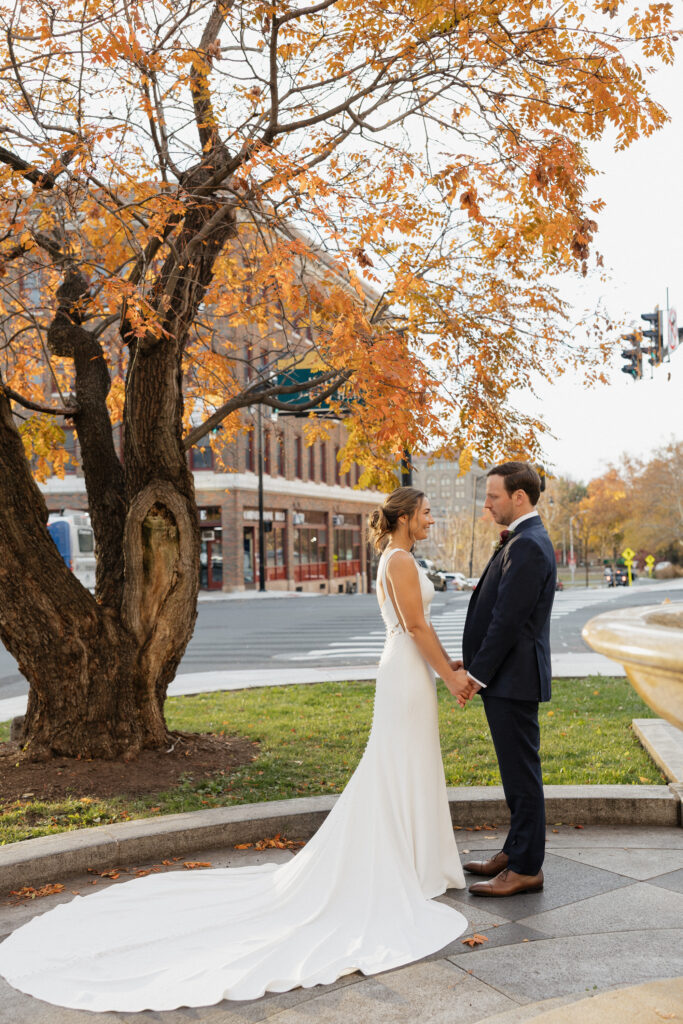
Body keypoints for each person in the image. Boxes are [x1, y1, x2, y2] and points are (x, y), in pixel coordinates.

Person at [0, 487, 474, 1013]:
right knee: (397, 765)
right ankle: (406, 863)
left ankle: (415, 860)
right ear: (407, 517)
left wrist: (449, 668)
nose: (432, 519)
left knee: (402, 764)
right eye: (428, 512)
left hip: (407, 670)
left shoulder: (394, 556)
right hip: (406, 673)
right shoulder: (402, 559)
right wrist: (451, 678)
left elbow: (419, 628)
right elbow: (415, 625)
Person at [452, 462, 556, 898]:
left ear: (519, 497)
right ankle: (514, 852)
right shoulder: (522, 539)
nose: (487, 503)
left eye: (493, 496)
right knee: (514, 774)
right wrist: (470, 660)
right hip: (506, 678)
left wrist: (476, 675)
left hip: (513, 680)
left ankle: (527, 867)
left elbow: (508, 620)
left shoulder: (529, 545)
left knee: (521, 775)